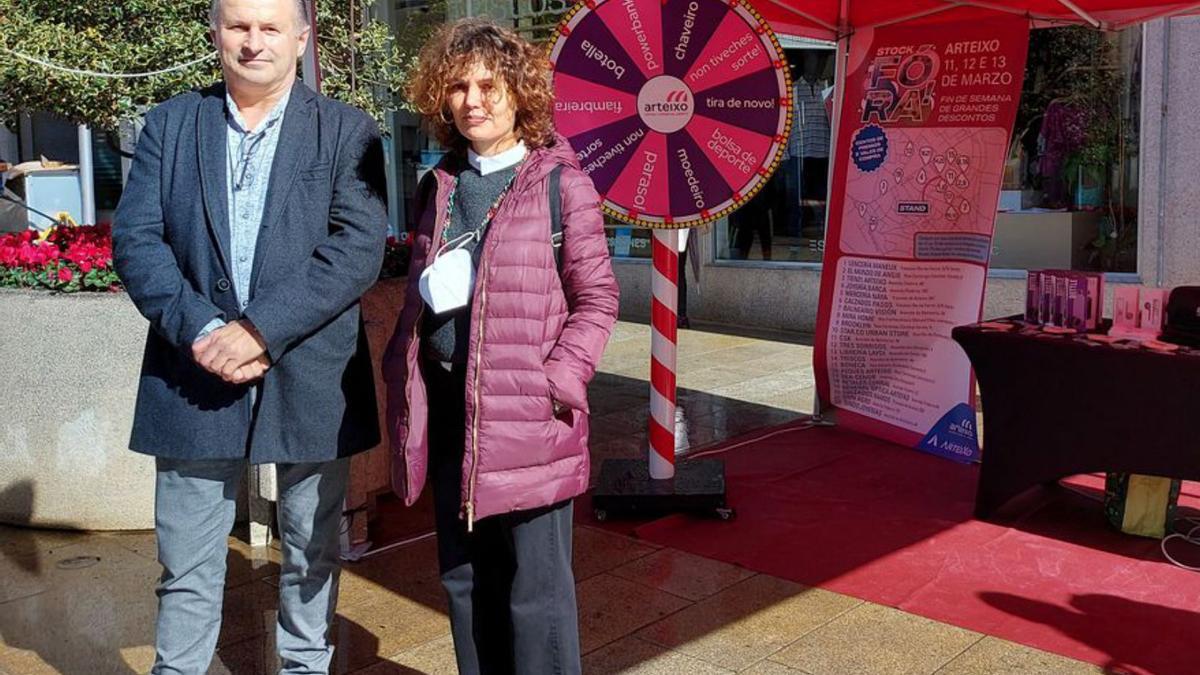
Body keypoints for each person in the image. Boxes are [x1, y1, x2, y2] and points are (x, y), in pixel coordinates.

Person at [111, 0, 388, 671]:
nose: (253, 41)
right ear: (215, 35)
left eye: (270, 28)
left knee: (311, 551)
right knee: (186, 559)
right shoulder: (171, 125)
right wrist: (204, 328)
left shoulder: (350, 133)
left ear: (301, 38)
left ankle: (304, 665)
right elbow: (138, 240)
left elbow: (356, 249)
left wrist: (260, 329)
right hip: (193, 368)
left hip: (311, 369)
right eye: (239, 26)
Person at [382, 18, 619, 675]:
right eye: (457, 86)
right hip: (455, 408)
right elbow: (424, 299)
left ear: (519, 92)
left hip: (527, 418)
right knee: (465, 580)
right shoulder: (442, 186)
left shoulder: (559, 184)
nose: (472, 99)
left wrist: (556, 380)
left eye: (489, 83)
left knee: (535, 597)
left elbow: (598, 300)